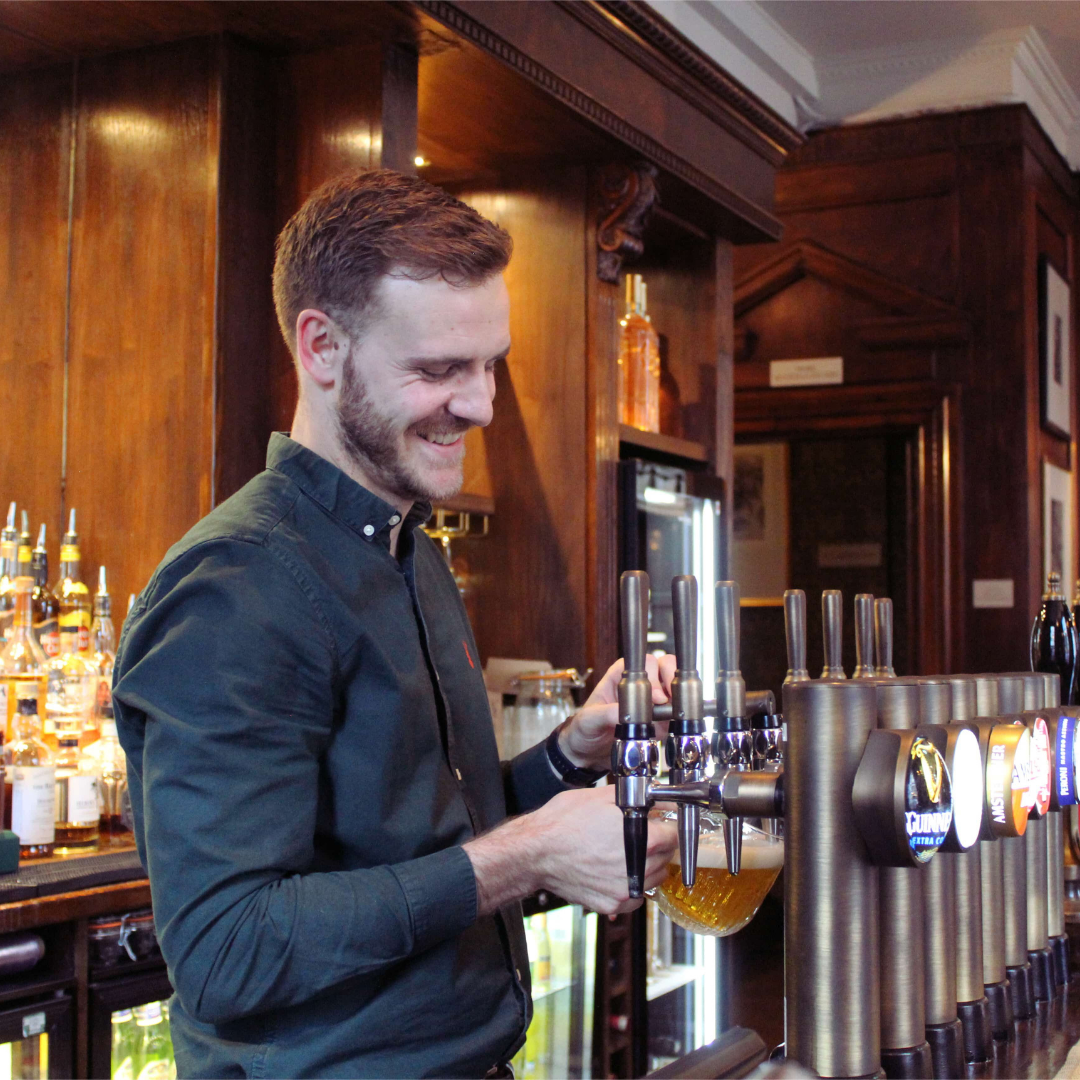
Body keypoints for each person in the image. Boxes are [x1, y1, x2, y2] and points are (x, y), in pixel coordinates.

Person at [113, 169, 678, 1079]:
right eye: (439, 369)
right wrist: (531, 855)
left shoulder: (410, 548)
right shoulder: (236, 584)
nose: (481, 404)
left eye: (488, 364)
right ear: (322, 347)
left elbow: (423, 840)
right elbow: (225, 949)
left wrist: (568, 756)